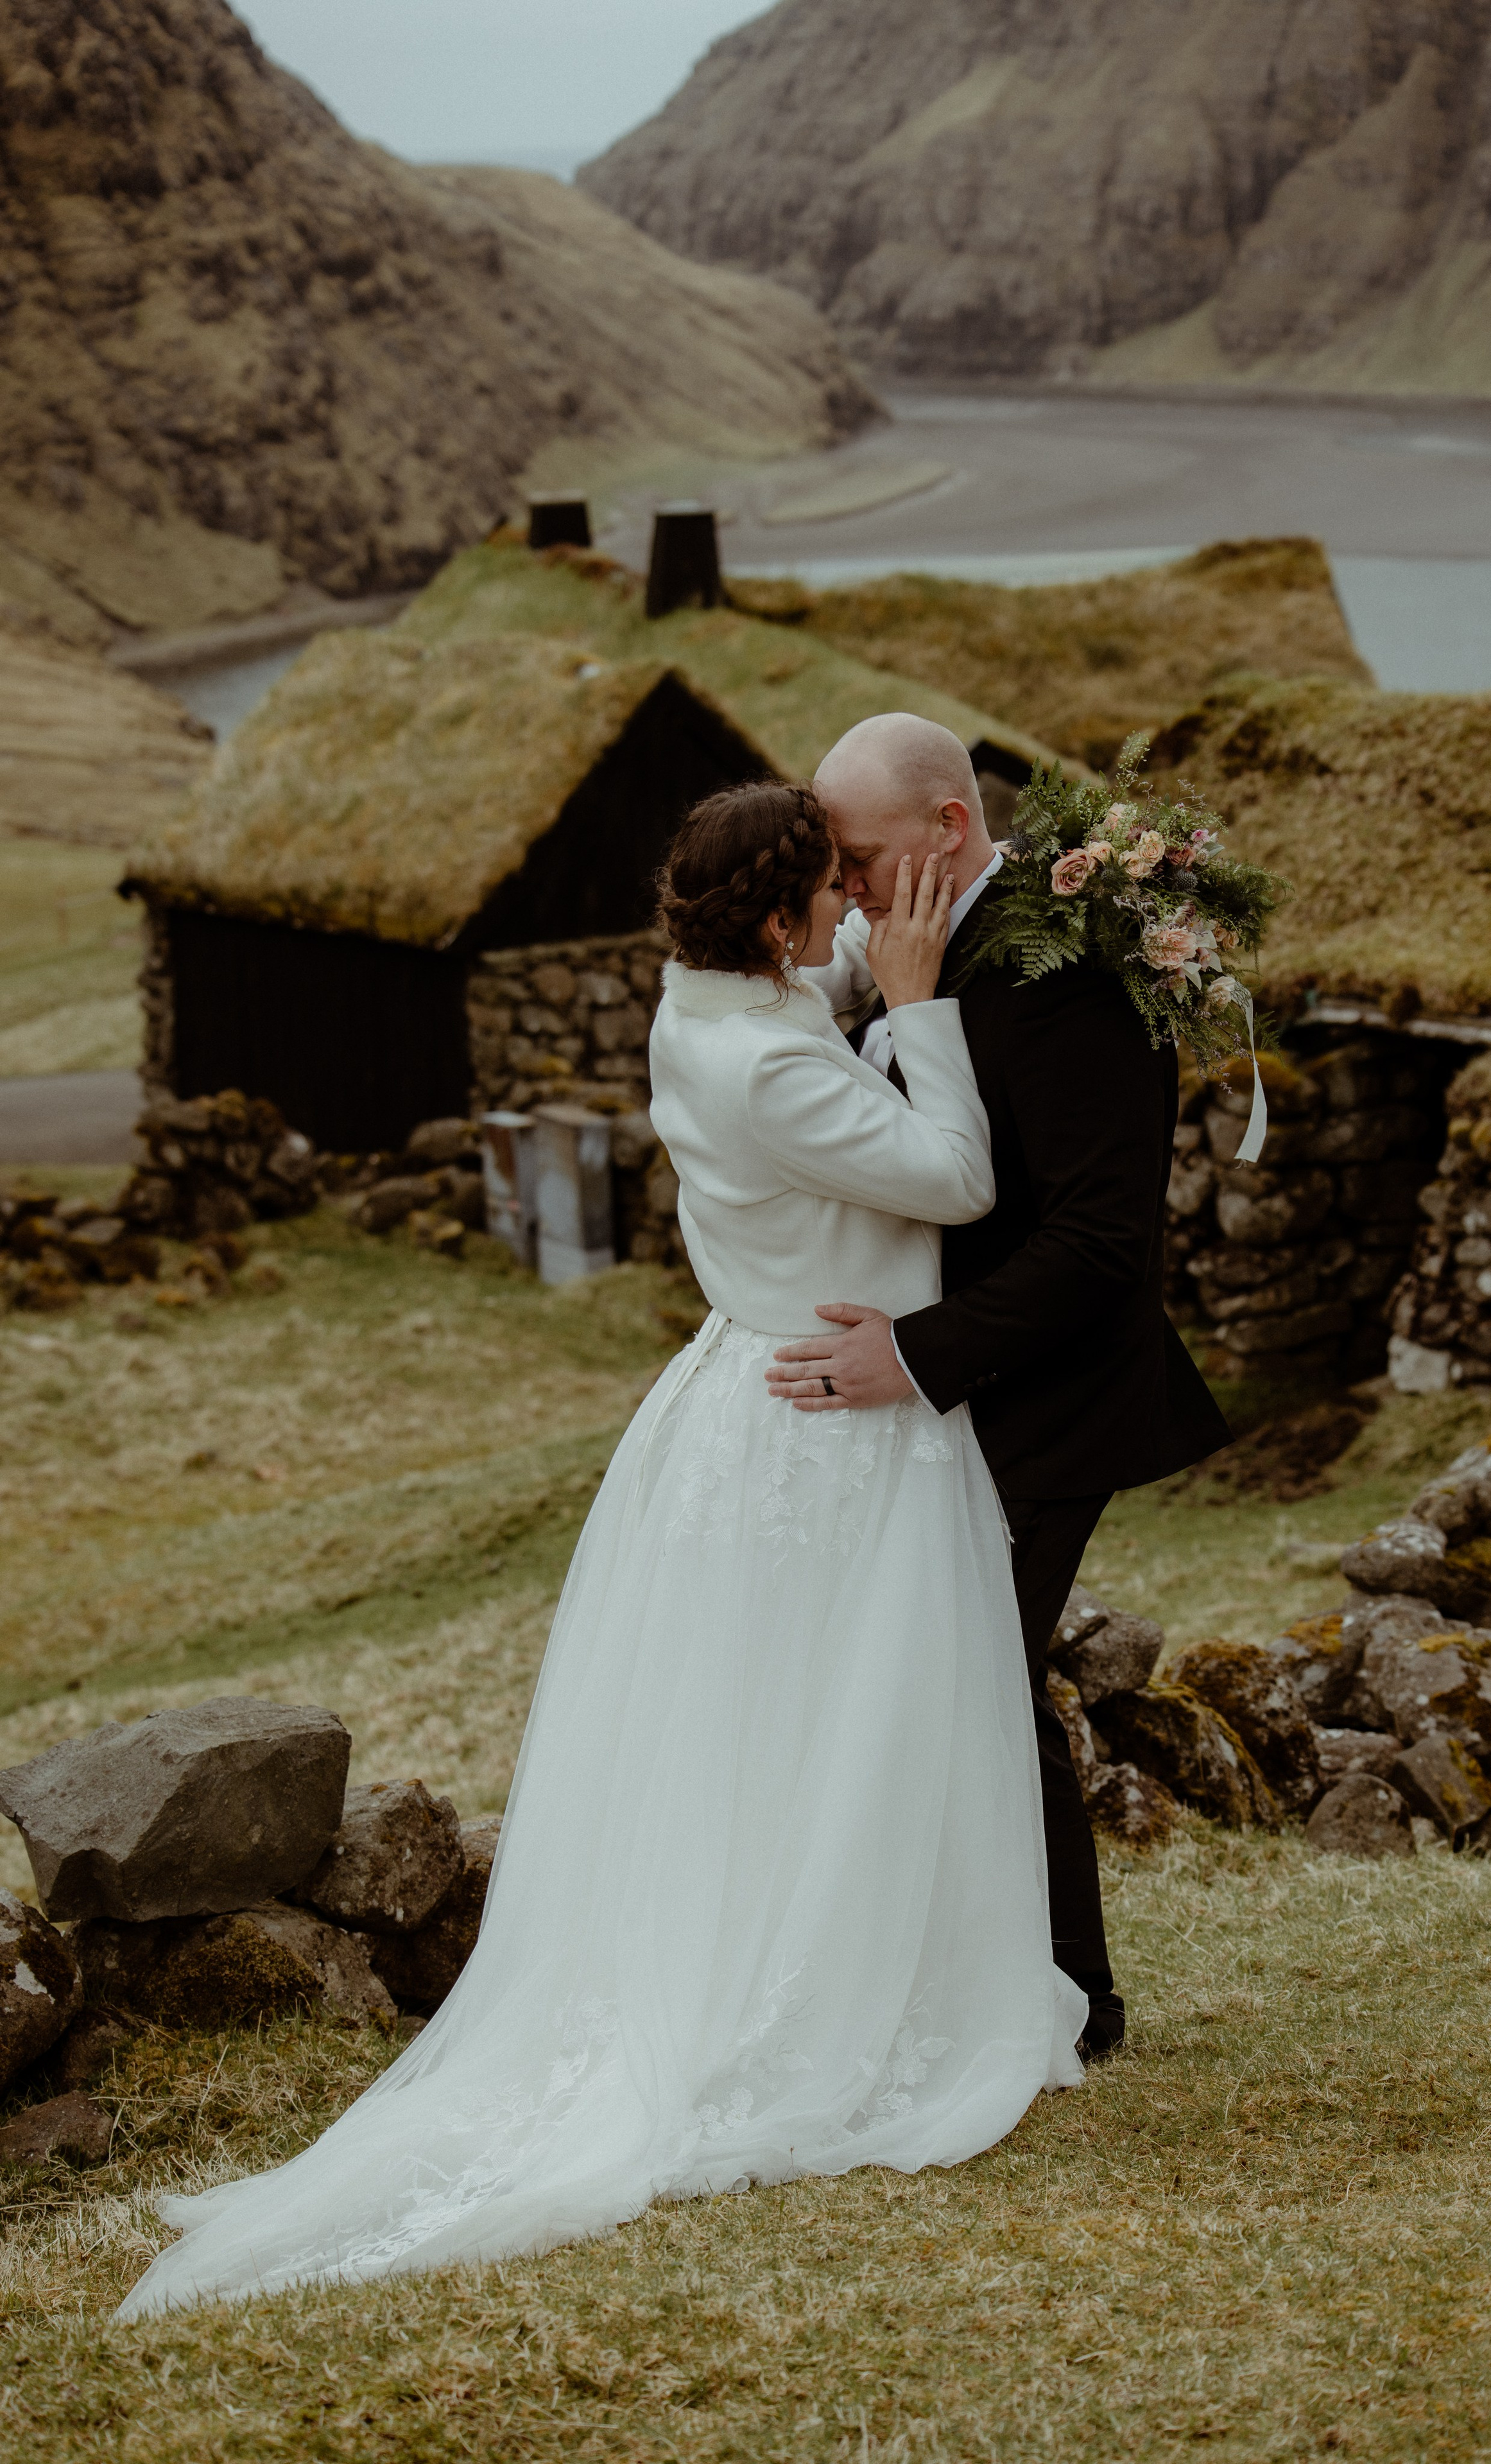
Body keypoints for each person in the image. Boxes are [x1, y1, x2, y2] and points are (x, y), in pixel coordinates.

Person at [117, 779, 1085, 2318]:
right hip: (826, 1424)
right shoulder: (769, 1061)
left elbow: (815, 995)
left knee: (769, 1723)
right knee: (840, 1713)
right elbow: (954, 1175)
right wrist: (921, 1007)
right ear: (775, 918)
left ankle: (845, 1953)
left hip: (741, 1403)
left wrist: (876, 965)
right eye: (829, 891)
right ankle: (807, 2006)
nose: (852, 912)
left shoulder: (702, 1004)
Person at [768, 715, 1231, 2060]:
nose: (843, 887)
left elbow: (1100, 1240)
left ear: (946, 829)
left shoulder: (1056, 971)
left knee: (969, 1675)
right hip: (986, 1385)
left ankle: (1066, 2000)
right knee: (970, 1677)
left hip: (1047, 1394)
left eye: (852, 857)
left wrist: (912, 1354)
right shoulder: (949, 937)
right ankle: (1049, 1989)